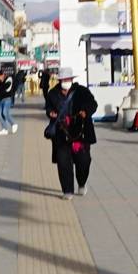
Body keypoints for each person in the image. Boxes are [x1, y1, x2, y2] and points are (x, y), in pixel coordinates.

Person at [46, 68, 98, 197]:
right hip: (62, 132)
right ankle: (67, 190)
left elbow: (93, 104)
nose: (66, 81)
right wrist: (50, 113)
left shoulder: (82, 91)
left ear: (72, 79)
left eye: (68, 79)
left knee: (84, 161)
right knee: (63, 162)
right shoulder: (52, 93)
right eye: (63, 80)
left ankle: (81, 183)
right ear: (59, 81)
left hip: (80, 131)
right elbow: (48, 108)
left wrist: (85, 111)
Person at [0, 69, 17, 135]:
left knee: (5, 113)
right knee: (0, 114)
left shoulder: (9, 79)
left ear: (3, 75)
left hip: (7, 99)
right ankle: (4, 129)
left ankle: (13, 124)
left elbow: (7, 88)